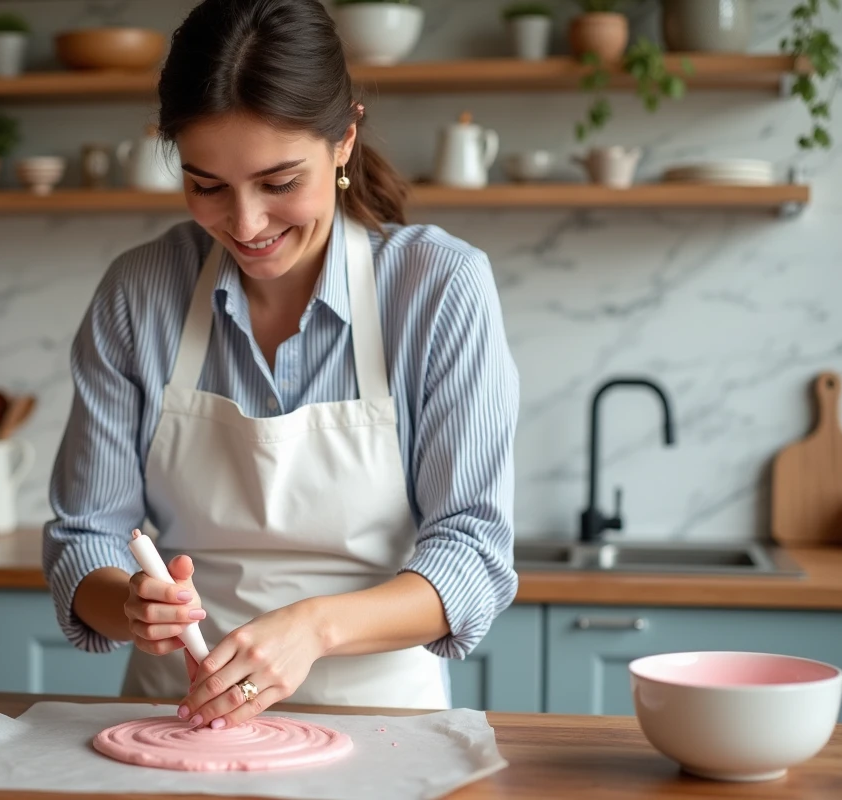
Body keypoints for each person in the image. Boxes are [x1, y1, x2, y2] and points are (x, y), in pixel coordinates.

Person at [44, 0, 519, 733]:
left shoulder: (437, 288)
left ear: (343, 140)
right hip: (177, 723)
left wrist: (313, 629)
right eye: (207, 186)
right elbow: (84, 538)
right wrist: (128, 602)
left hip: (381, 725)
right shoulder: (140, 293)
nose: (246, 224)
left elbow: (473, 556)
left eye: (278, 182)